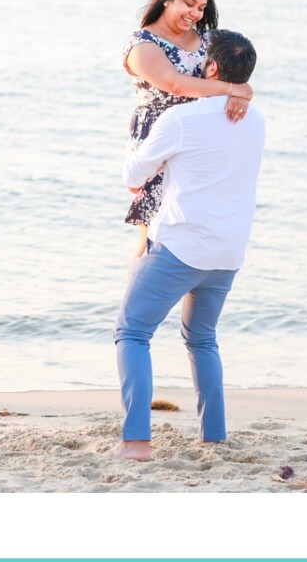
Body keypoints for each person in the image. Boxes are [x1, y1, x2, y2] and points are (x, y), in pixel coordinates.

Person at [114, 26, 265, 457]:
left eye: (202, 57)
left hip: (179, 247)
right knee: (202, 339)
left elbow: (132, 176)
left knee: (133, 332)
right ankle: (213, 436)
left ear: (212, 68)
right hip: (228, 252)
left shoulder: (179, 119)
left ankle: (136, 441)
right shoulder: (256, 119)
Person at [122, 0, 252, 256]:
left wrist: (242, 91)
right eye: (188, 3)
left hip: (203, 139)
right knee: (154, 234)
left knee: (198, 227)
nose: (195, 13)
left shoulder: (210, 40)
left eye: (201, 8)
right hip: (158, 137)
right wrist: (232, 89)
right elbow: (175, 84)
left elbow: (235, 70)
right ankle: (138, 299)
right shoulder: (142, 45)